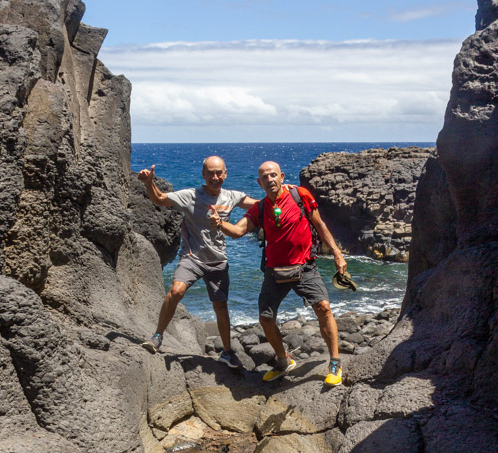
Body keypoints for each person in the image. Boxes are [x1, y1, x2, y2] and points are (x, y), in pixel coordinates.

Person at [210, 160, 347, 384]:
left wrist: (337, 253)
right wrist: (219, 223)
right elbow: (237, 231)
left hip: (305, 267)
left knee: (323, 307)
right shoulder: (259, 208)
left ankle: (335, 362)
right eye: (265, 177)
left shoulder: (300, 195)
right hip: (275, 272)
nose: (270, 179)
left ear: (281, 176)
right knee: (265, 318)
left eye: (273, 175)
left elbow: (320, 225)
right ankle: (284, 361)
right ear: (259, 182)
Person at [138, 156, 257, 368]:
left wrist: (284, 193)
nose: (215, 177)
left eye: (219, 173)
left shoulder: (232, 196)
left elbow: (260, 205)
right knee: (176, 291)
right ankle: (157, 336)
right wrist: (149, 183)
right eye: (210, 173)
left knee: (220, 306)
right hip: (192, 257)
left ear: (225, 174)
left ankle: (227, 353)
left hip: (218, 261)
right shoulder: (191, 196)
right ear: (203, 175)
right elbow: (160, 199)